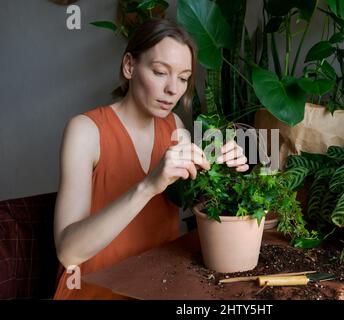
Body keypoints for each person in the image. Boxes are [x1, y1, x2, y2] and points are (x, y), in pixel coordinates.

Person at [53, 19, 248, 299]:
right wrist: (148, 186)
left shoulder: (176, 128)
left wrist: (224, 172)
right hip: (97, 289)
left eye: (183, 78)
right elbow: (68, 251)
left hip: (161, 286)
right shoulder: (85, 131)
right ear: (129, 66)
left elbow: (201, 206)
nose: (173, 89)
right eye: (160, 72)